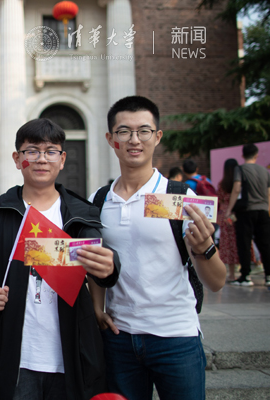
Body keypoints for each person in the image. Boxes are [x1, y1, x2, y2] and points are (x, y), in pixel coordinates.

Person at [0, 118, 119, 400]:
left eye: (50, 151)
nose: (41, 159)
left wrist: (109, 266)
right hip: (14, 356)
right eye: (32, 151)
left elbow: (101, 261)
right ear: (17, 159)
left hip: (71, 354)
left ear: (62, 160)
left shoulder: (81, 213)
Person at [89, 96, 226, 400]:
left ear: (157, 136)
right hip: (120, 339)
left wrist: (205, 247)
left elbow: (217, 281)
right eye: (124, 131)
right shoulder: (98, 201)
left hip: (176, 338)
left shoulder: (180, 198)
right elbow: (95, 261)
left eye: (144, 131)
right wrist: (96, 307)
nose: (134, 140)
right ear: (111, 139)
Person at [225, 144, 270, 287]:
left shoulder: (240, 169)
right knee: (265, 244)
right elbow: (268, 192)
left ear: (243, 155)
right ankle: (268, 276)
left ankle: (245, 276)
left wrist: (229, 209)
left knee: (244, 243)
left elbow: (236, 188)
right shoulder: (265, 171)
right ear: (256, 155)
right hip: (263, 211)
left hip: (246, 211)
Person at [217, 159, 240, 282]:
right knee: (240, 243)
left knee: (228, 244)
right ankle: (244, 271)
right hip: (239, 213)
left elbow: (220, 199)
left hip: (226, 215)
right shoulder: (240, 183)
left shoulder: (222, 183)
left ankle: (231, 274)